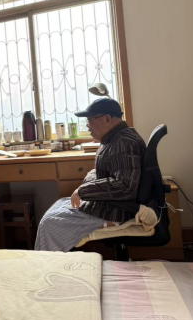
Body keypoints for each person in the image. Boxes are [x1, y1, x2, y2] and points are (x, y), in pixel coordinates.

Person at [36, 98, 147, 252]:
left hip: (115, 210)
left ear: (107, 119)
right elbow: (109, 173)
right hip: (107, 204)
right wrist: (90, 180)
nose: (87, 125)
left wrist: (84, 190)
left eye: (89, 119)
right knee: (57, 207)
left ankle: (48, 264)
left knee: (49, 223)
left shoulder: (123, 142)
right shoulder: (115, 139)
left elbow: (125, 187)